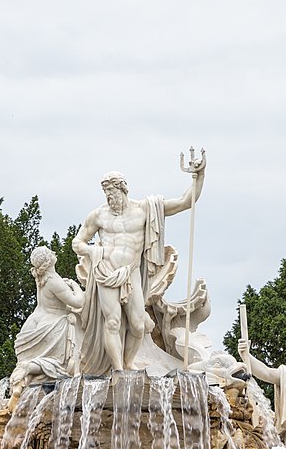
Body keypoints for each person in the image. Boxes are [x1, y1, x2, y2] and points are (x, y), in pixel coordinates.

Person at [72, 158, 205, 374]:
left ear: (123, 189)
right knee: (112, 322)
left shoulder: (145, 209)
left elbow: (185, 201)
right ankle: (117, 370)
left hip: (131, 272)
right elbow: (77, 242)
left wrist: (200, 175)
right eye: (106, 194)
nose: (109, 199)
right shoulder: (98, 215)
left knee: (138, 325)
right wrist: (94, 251)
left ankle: (128, 362)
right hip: (105, 272)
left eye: (112, 193)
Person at [9, 246, 85, 389]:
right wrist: (75, 285)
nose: (53, 252)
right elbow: (78, 302)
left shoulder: (40, 278)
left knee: (41, 368)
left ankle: (21, 383)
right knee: (55, 364)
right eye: (50, 252)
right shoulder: (53, 280)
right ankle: (28, 368)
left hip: (32, 323)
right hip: (51, 325)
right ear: (50, 259)